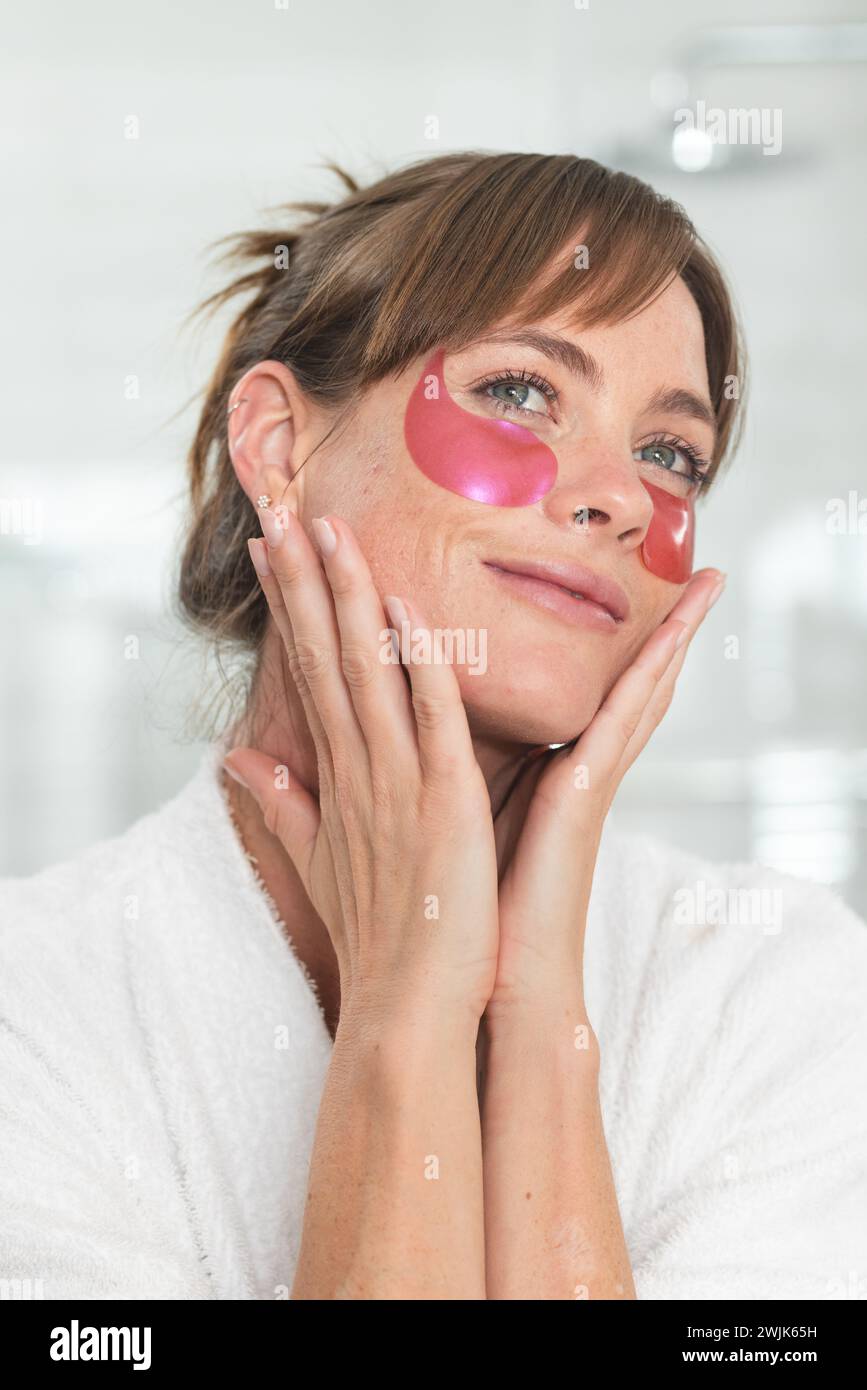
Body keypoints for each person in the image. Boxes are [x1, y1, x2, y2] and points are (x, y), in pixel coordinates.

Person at [2, 152, 865, 1301]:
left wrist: (539, 1017)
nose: (615, 492)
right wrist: (410, 1010)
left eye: (671, 453)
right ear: (278, 446)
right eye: (519, 391)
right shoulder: (31, 1014)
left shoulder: (780, 987)